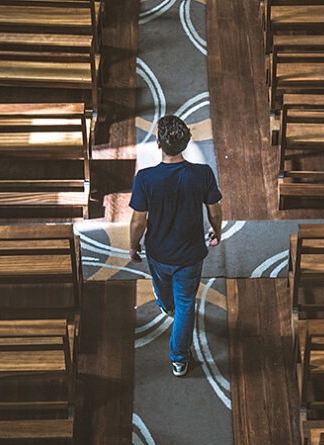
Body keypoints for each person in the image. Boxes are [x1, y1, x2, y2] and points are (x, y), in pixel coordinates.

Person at [128, 115, 223, 377]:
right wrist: (217, 229)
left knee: (163, 287)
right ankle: (179, 359)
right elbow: (214, 210)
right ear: (185, 142)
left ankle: (164, 303)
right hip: (190, 255)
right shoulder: (202, 173)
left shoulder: (145, 178)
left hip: (157, 251)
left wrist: (133, 246)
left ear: (158, 143)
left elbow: (138, 221)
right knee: (186, 305)